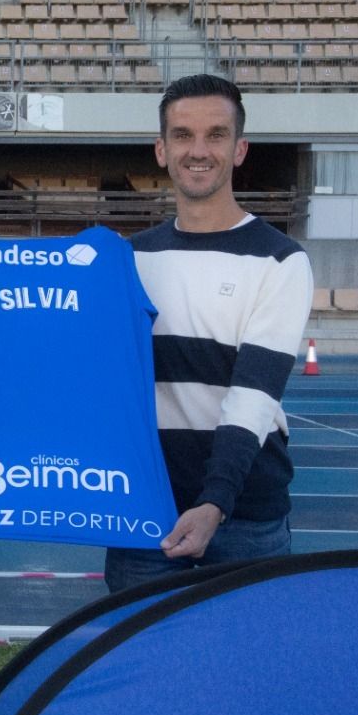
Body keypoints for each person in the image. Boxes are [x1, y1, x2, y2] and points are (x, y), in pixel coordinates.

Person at [104, 74, 314, 592]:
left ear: (239, 149)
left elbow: (251, 399)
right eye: (182, 135)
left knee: (244, 671)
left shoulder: (281, 261)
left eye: (215, 135)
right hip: (146, 513)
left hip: (242, 515)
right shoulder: (126, 261)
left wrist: (214, 504)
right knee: (142, 668)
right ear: (161, 149)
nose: (198, 151)